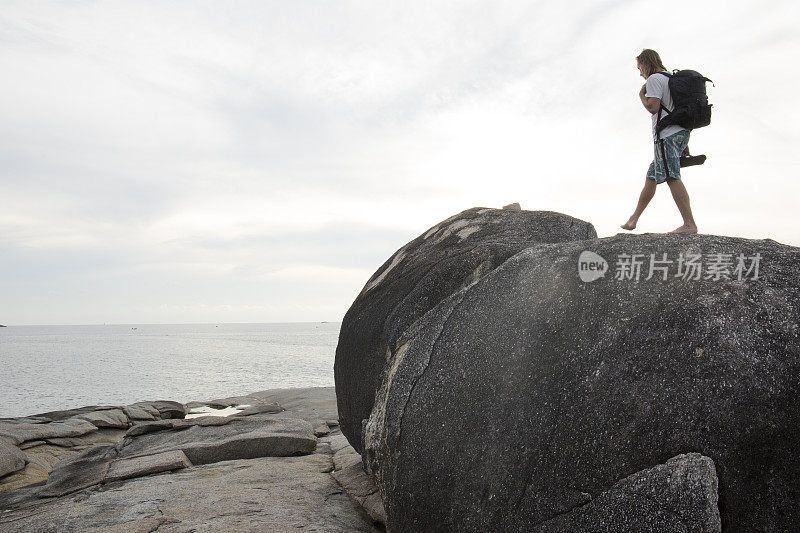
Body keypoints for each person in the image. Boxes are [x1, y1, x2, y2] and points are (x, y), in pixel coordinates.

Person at [621, 49, 697, 234]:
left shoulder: (654, 79)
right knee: (652, 176)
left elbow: (653, 107)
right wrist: (683, 142)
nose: (640, 72)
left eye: (640, 67)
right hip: (679, 133)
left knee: (672, 176)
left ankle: (689, 224)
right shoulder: (671, 77)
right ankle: (633, 219)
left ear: (646, 63)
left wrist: (641, 95)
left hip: (666, 135)